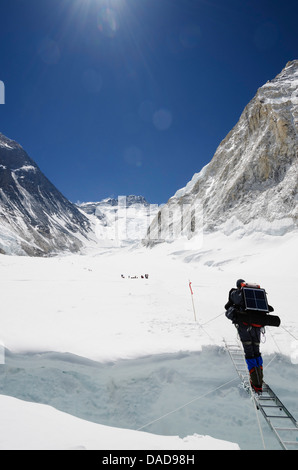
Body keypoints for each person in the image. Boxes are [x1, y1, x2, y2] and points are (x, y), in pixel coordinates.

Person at [225, 279, 274, 394]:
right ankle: (259, 379)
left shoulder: (237, 295)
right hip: (257, 326)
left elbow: (228, 309)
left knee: (249, 353)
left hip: (245, 326)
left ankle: (256, 383)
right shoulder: (255, 294)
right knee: (256, 352)